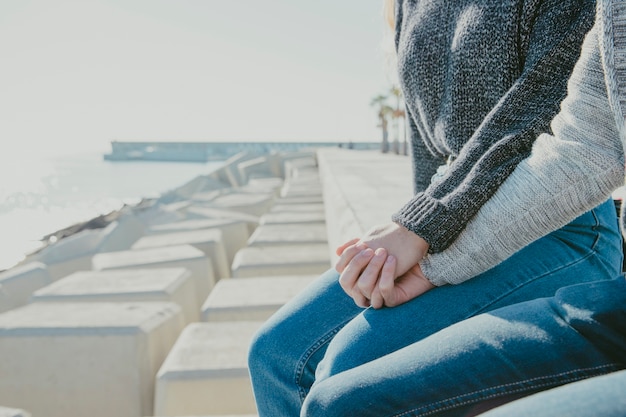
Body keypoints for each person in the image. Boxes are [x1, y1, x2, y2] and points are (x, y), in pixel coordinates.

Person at [248, 0, 623, 415]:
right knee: (275, 355)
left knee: (350, 370)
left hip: (560, 221)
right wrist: (416, 235)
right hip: (449, 218)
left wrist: (424, 228)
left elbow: (544, 120)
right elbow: (429, 149)